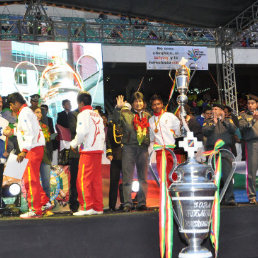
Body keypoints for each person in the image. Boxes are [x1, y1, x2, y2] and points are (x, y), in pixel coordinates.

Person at [4, 92, 49, 218]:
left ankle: (35, 210)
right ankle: (45, 202)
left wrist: (24, 150)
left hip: (32, 149)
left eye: (12, 105)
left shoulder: (24, 113)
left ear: (16, 103)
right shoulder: (26, 112)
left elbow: (29, 133)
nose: (11, 108)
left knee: (30, 180)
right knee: (32, 178)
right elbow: (25, 130)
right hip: (35, 148)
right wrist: (12, 131)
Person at [114, 92, 150, 212]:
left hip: (143, 149)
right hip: (129, 148)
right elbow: (115, 121)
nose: (138, 103)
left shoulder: (148, 116)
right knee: (127, 177)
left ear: (143, 103)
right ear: (132, 103)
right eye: (136, 101)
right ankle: (127, 203)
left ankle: (142, 202)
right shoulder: (125, 114)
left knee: (143, 178)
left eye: (140, 101)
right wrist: (117, 109)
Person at [70, 92, 105, 216]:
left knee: (83, 179)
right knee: (95, 180)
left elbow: (81, 133)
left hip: (88, 151)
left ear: (80, 103)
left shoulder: (83, 114)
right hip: (97, 150)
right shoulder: (97, 115)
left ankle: (86, 206)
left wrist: (73, 144)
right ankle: (98, 207)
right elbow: (102, 134)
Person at [202, 103, 237, 206]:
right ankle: (214, 198)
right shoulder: (208, 121)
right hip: (212, 151)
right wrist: (214, 124)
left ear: (222, 111)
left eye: (216, 109)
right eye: (213, 109)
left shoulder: (228, 121)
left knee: (227, 175)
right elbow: (205, 132)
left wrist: (223, 121)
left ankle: (229, 198)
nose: (213, 111)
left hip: (225, 150)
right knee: (213, 175)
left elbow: (234, 130)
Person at [149, 94, 180, 183]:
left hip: (171, 149)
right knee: (162, 174)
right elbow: (151, 137)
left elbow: (178, 131)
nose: (156, 106)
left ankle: (174, 195)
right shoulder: (151, 120)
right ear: (151, 107)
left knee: (174, 173)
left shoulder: (170, 116)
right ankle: (165, 195)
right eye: (154, 105)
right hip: (160, 151)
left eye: (158, 104)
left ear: (162, 104)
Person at [106, 105, 130, 211]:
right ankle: (111, 205)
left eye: (126, 111)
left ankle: (126, 204)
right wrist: (109, 153)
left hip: (127, 156)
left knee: (126, 181)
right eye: (122, 111)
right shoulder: (112, 124)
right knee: (114, 181)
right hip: (115, 156)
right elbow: (108, 140)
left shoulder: (131, 124)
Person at [238, 94, 258, 204]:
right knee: (251, 172)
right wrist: (253, 121)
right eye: (249, 103)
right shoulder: (243, 116)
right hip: (252, 144)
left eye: (253, 103)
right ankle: (252, 196)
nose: (250, 105)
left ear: (257, 104)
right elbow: (242, 127)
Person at [33, 107, 53, 211]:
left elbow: (48, 144)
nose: (39, 114)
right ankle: (35, 206)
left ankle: (47, 206)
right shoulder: (29, 126)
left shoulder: (45, 126)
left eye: (40, 113)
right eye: (36, 112)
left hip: (45, 158)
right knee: (33, 182)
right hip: (33, 157)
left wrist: (50, 158)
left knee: (46, 182)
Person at [67, 108, 80, 212]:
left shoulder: (91, 114)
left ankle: (86, 203)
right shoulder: (73, 114)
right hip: (76, 152)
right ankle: (74, 205)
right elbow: (74, 129)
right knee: (74, 180)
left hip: (88, 152)